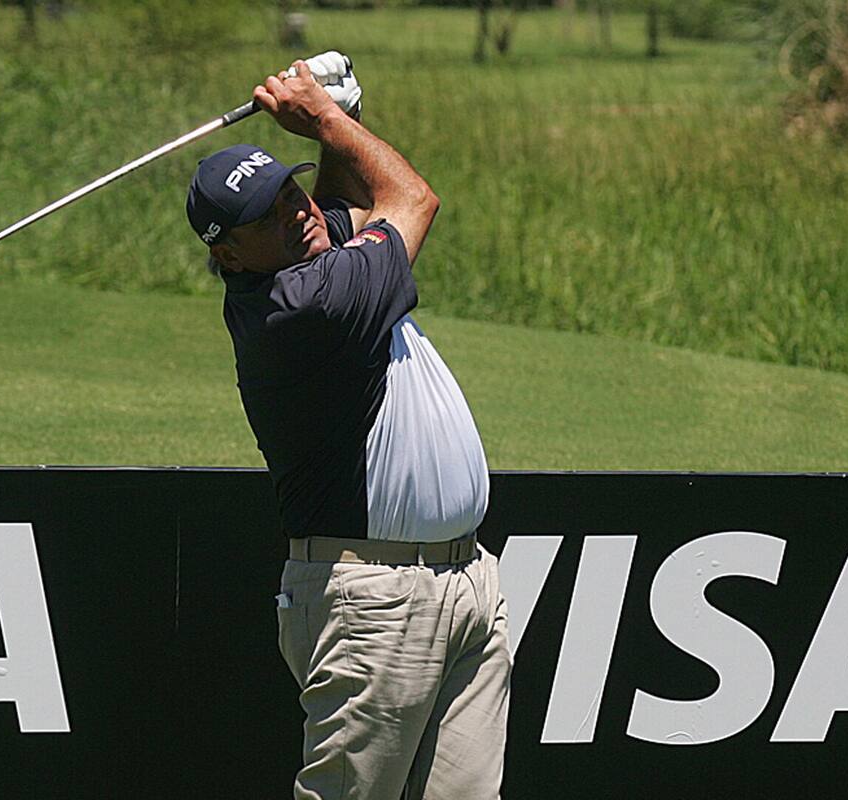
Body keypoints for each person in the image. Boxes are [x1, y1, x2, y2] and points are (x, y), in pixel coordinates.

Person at [185, 53, 511, 800]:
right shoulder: (302, 310)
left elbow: (347, 212)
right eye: (266, 216)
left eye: (288, 191)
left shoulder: (305, 257)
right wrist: (325, 119)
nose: (296, 212)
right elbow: (409, 201)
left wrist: (340, 116)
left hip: (463, 582)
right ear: (229, 252)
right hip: (374, 600)